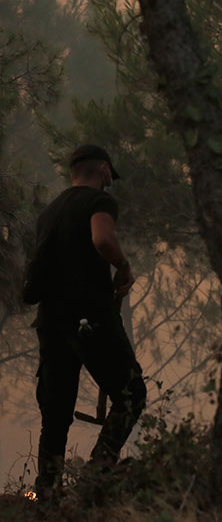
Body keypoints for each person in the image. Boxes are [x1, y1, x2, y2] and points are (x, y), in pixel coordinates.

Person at [23, 144, 146, 502]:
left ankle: (45, 495)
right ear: (104, 170)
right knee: (132, 394)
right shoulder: (98, 201)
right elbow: (102, 238)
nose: (110, 182)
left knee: (56, 414)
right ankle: (95, 479)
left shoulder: (49, 212)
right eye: (110, 175)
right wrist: (123, 266)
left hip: (51, 323)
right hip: (89, 318)